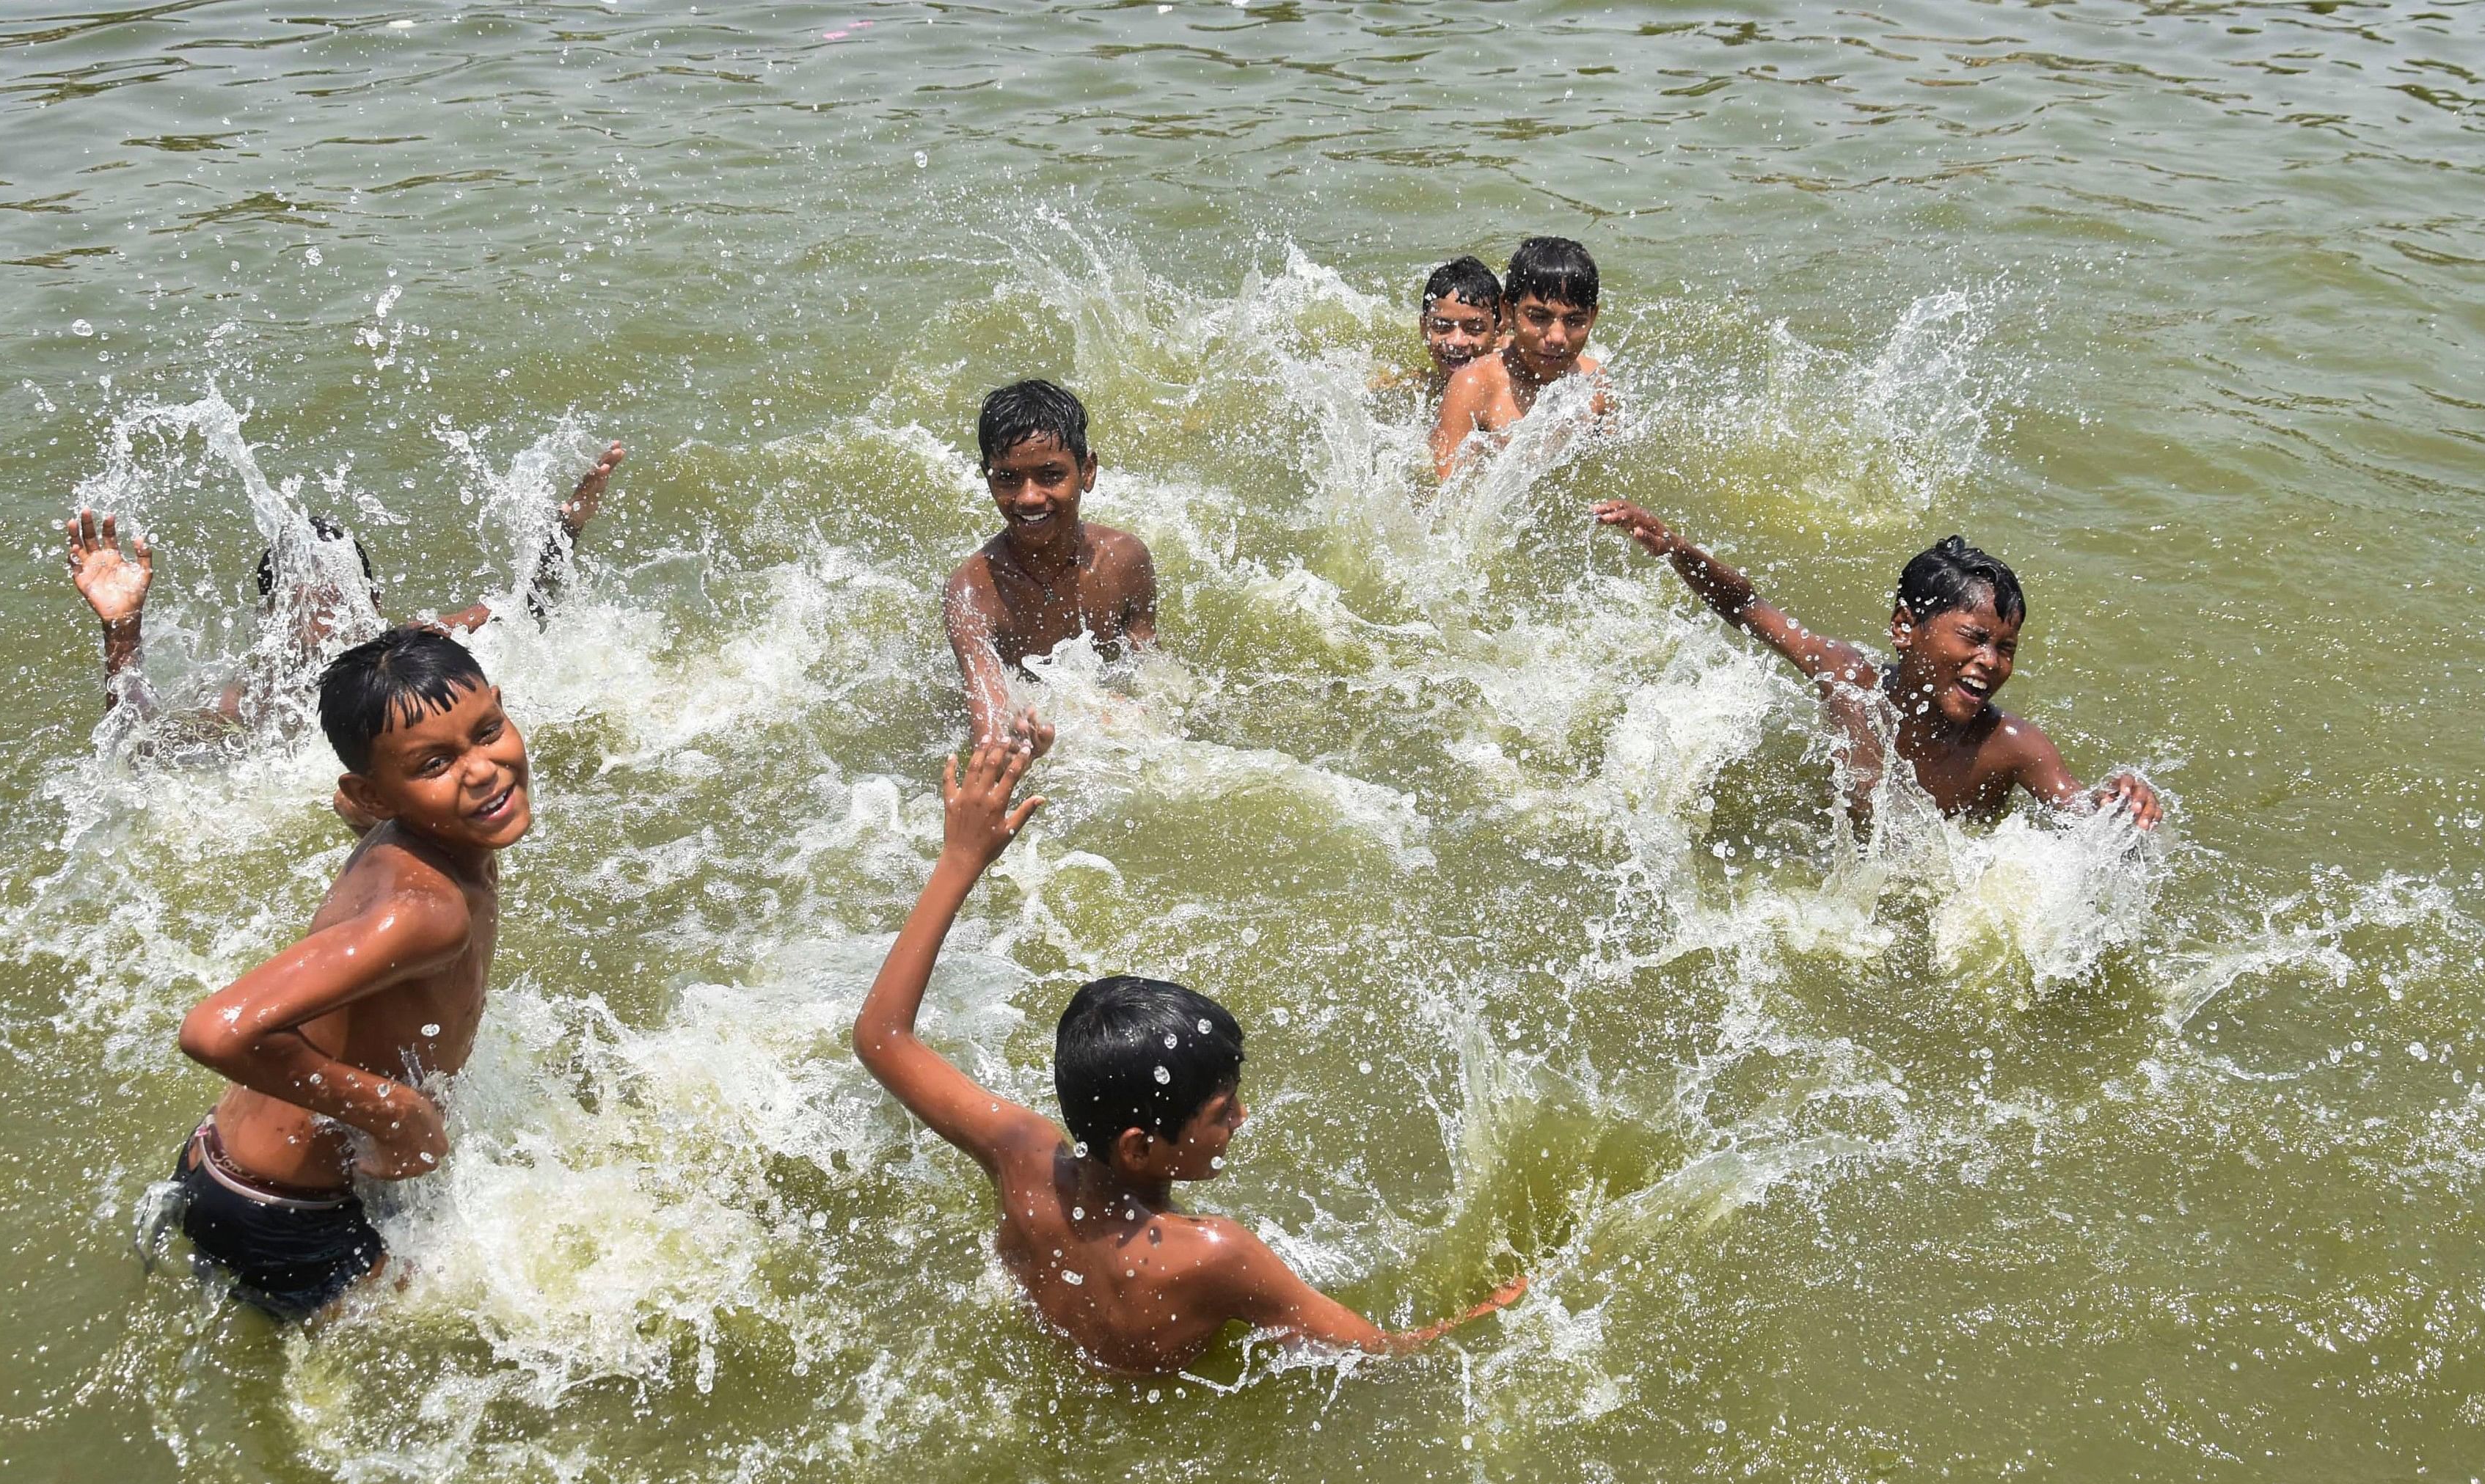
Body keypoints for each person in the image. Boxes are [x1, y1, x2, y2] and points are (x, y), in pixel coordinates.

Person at [852, 737, 1529, 1375]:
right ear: (1140, 1149)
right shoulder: (1213, 1255)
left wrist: (958, 859)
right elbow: (1378, 1354)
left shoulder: (1023, 1162)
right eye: (1219, 1109)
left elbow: (880, 1037)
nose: (1240, 1116)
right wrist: (1494, 1309)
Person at [162, 627, 533, 1319]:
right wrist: (399, 1113)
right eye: (434, 764)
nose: (482, 770)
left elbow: (362, 825)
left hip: (230, 1166)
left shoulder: (408, 834)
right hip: (284, 1214)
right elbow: (213, 1031)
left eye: (488, 731)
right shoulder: (428, 912)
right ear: (377, 791)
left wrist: (397, 798)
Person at [1596, 501, 2164, 829]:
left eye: (2005, 648)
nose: (1988, 662)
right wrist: (1674, 548)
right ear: (1903, 628)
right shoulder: (1848, 680)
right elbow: (1747, 607)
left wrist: (2118, 802)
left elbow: (2079, 813)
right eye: (1972, 638)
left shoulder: (2012, 746)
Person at [65, 440, 624, 717]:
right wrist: (123, 633)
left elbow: (526, 613)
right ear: (270, 613)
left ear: (372, 598)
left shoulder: (413, 642)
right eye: (301, 589)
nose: (323, 599)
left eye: (338, 585)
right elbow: (145, 749)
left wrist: (564, 529)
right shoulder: (252, 702)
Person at [941, 381, 1153, 756]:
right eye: (1007, 478)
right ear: (987, 477)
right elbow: (989, 737)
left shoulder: (1125, 561)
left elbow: (1152, 675)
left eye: (1050, 474)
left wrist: (1141, 722)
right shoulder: (972, 592)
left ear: (1087, 472)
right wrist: (1019, 753)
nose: (1028, 496)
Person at [1431, 236, 1608, 478]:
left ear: (1593, 317)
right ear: (1508, 311)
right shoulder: (1473, 387)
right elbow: (1445, 497)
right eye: (1538, 317)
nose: (1557, 337)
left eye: (1575, 321)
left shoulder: (1594, 382)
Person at [1406, 255, 1504, 402]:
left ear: (1498, 334)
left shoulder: (1509, 392)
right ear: (1424, 328)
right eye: (1442, 326)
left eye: (1474, 329)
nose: (1457, 342)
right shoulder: (1417, 384)